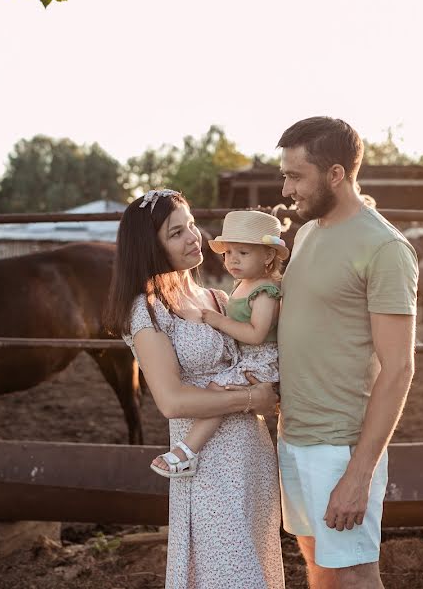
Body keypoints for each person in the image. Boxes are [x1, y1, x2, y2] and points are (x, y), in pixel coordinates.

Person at [103, 188, 285, 589]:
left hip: (252, 454)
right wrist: (253, 398)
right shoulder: (147, 309)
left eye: (191, 226)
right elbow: (171, 401)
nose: (192, 238)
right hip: (206, 463)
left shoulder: (218, 298)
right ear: (150, 248)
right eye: (175, 233)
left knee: (257, 567)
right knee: (229, 575)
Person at [276, 117, 419, 589]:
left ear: (335, 174)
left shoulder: (384, 248)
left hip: (340, 445)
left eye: (296, 176)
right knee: (317, 563)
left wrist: (359, 474)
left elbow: (399, 369)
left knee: (355, 575)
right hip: (294, 434)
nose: (286, 187)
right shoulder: (309, 233)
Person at [149, 209, 289, 478]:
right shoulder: (243, 285)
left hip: (260, 360)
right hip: (247, 358)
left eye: (243, 253)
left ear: (268, 255)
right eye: (229, 253)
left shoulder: (265, 291)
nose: (233, 260)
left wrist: (218, 321)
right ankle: (187, 450)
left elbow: (256, 334)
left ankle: (187, 451)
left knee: (219, 391)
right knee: (219, 391)